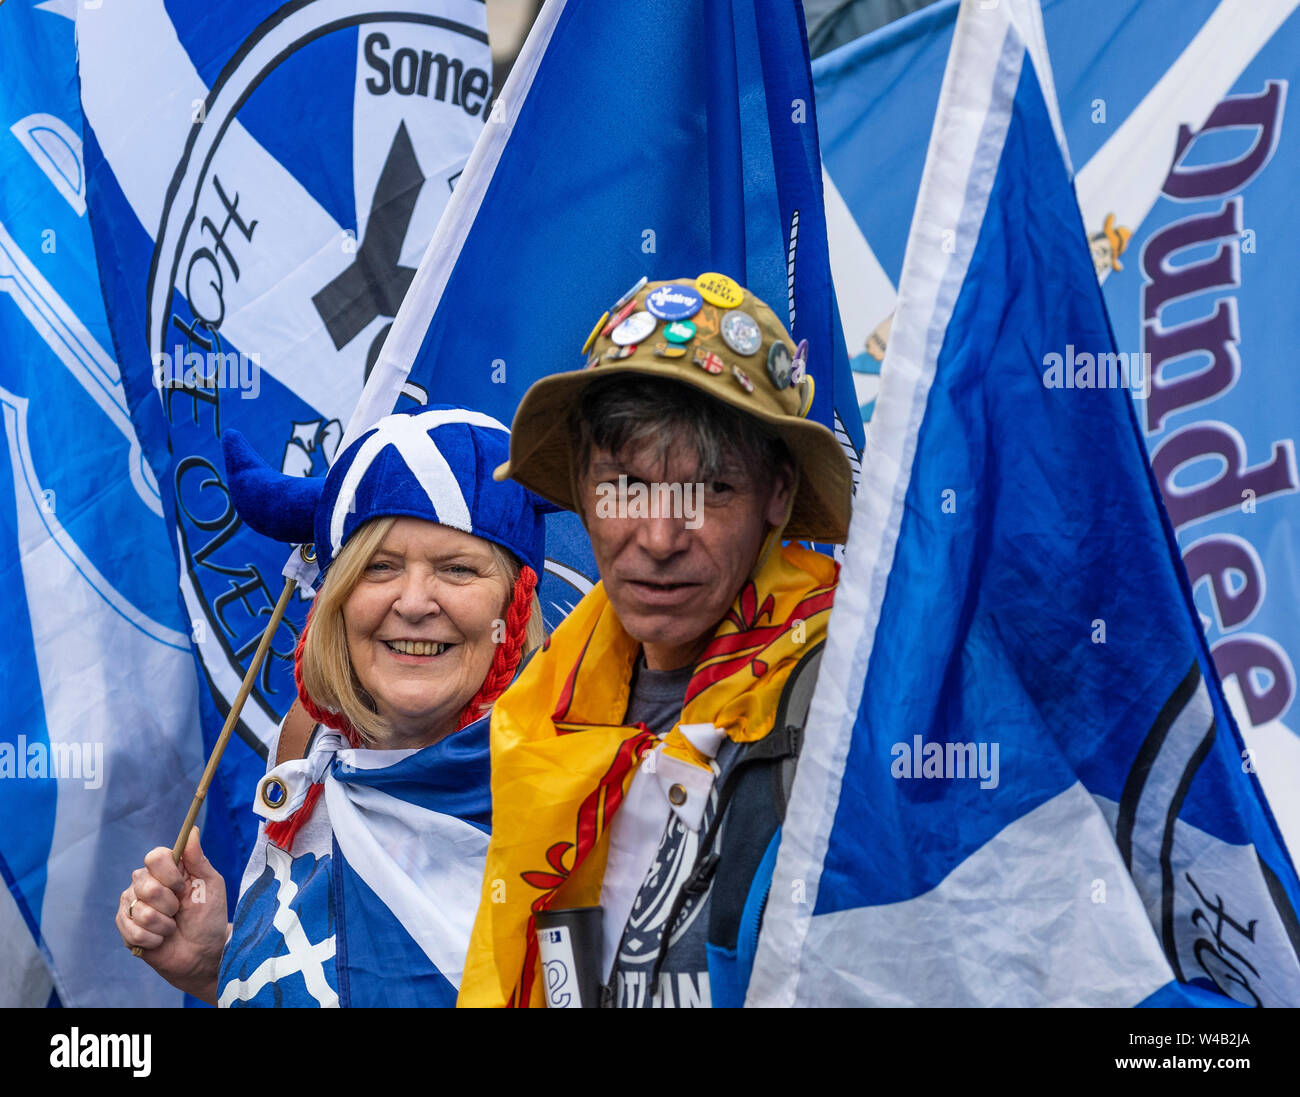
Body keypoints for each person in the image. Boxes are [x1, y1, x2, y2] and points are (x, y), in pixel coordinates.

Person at [459, 275, 853, 1007]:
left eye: (707, 492)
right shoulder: (547, 703)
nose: (660, 537)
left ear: (778, 491)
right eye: (626, 485)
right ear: (581, 485)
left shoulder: (847, 700)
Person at [115, 406, 549, 1007]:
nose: (415, 602)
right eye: (380, 567)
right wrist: (212, 964)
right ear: (337, 603)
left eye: (457, 569)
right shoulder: (310, 745)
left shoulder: (569, 780)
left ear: (514, 606)